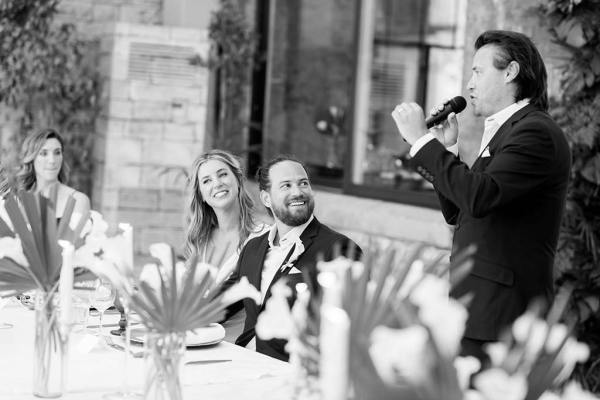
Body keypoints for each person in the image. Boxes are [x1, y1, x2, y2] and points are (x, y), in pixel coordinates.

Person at [391, 30, 571, 361]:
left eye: (478, 71)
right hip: (479, 311)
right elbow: (462, 212)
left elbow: (479, 197)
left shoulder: (535, 132)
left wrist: (420, 141)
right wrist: (448, 150)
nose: (469, 84)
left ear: (511, 72)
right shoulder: (511, 128)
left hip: (503, 318)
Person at [221, 155, 361, 361]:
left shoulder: (340, 248)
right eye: (286, 185)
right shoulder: (253, 248)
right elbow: (220, 304)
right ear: (266, 198)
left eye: (303, 183)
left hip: (292, 371)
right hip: (242, 363)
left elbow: (349, 327)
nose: (298, 192)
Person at [184, 149, 268, 341]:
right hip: (196, 342)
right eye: (207, 181)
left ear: (238, 181)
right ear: (202, 195)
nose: (217, 183)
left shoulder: (262, 237)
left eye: (222, 174)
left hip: (235, 349)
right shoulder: (201, 240)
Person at [16, 128, 90, 223]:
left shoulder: (78, 201)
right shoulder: (21, 202)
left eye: (57, 152)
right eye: (43, 153)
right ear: (31, 158)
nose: (52, 160)